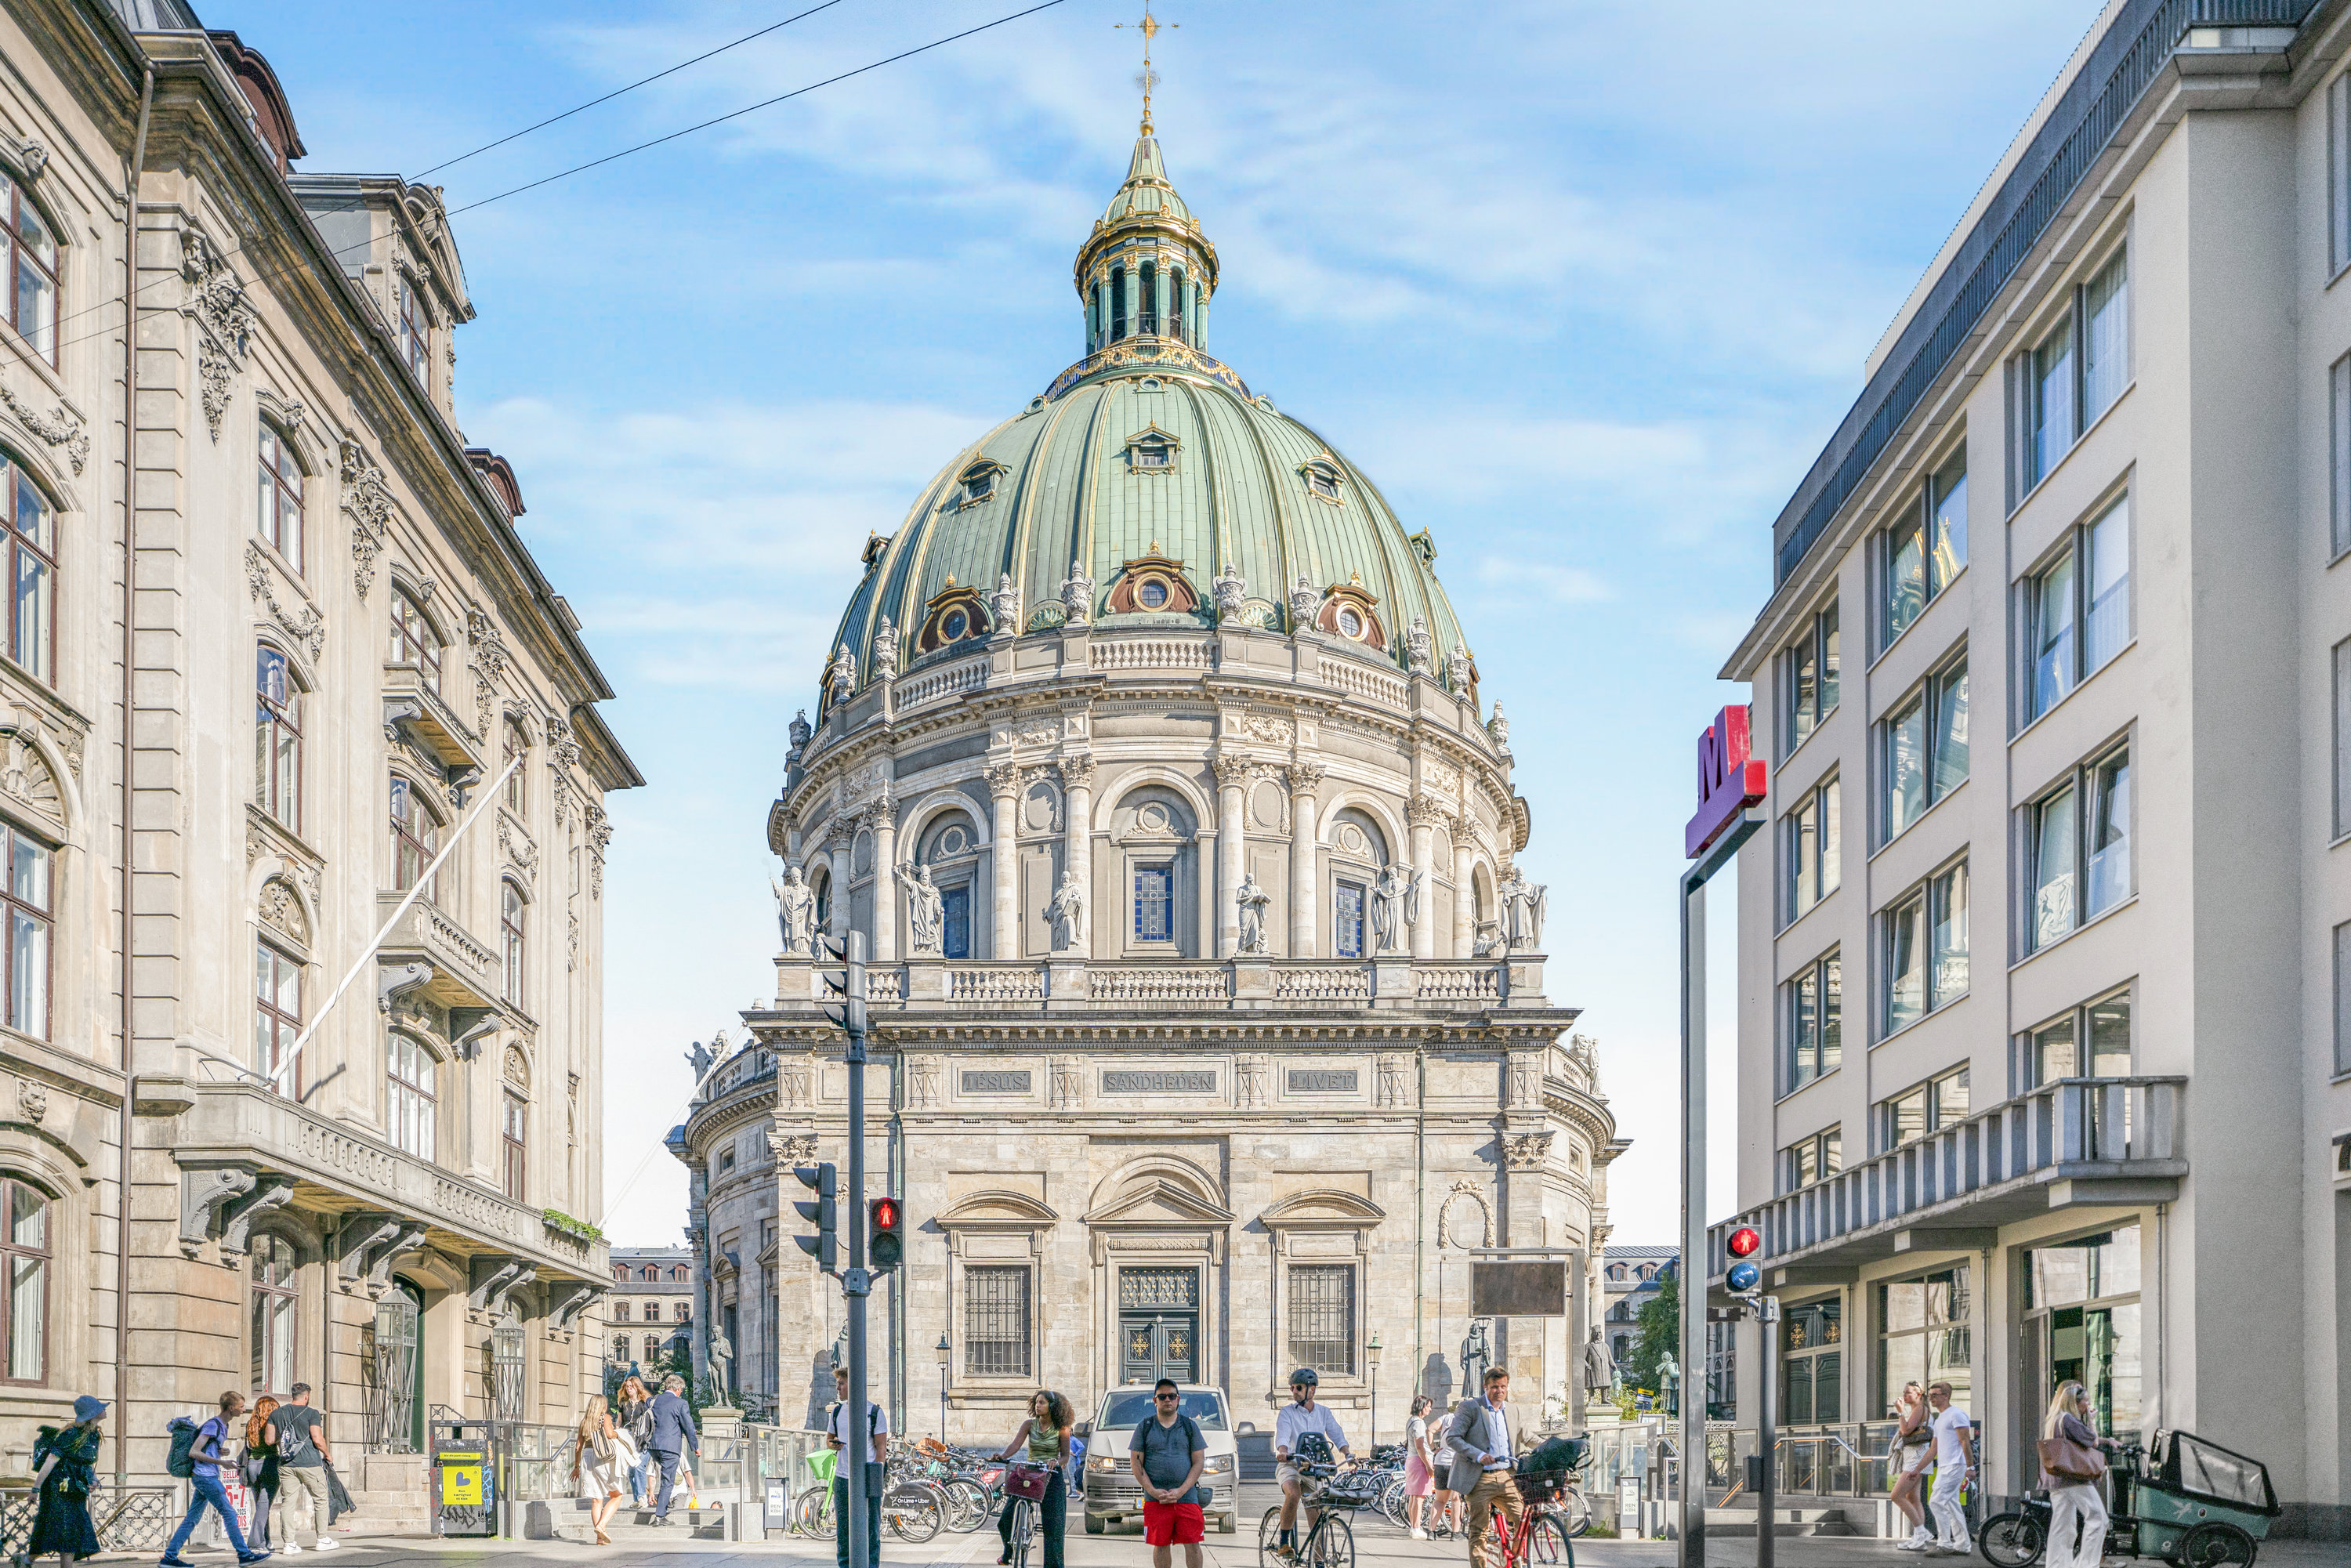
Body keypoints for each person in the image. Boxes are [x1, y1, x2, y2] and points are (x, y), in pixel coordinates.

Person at [161, 1390, 269, 1568]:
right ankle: (244, 1554)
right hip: (206, 1478)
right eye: (241, 1406)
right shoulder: (213, 1425)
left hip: (204, 1477)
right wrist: (221, 1461)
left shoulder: (221, 1426)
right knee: (229, 1512)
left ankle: (170, 1557)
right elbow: (194, 1452)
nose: (244, 1410)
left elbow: (204, 1449)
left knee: (192, 1518)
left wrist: (219, 1451)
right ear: (231, 1407)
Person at [1271, 1368, 1352, 1563]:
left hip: (1314, 1468)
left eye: (1298, 1387)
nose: (1294, 1391)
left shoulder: (1323, 1412)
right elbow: (1283, 1434)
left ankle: (1318, 1562)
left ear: (1312, 1390)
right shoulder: (1287, 1412)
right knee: (1294, 1493)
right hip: (1290, 1463)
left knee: (1317, 1516)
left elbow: (1336, 1433)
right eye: (1292, 1388)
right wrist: (1282, 1451)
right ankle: (1283, 1542)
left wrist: (1348, 1454)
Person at [1447, 1367, 1520, 1568]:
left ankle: (1513, 1559)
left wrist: (1548, 1445)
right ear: (1486, 1387)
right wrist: (1479, 1455)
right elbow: (1452, 1438)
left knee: (1523, 1520)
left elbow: (1526, 1435)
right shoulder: (1471, 1407)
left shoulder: (1512, 1410)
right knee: (1480, 1529)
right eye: (1495, 1387)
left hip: (1506, 1476)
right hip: (1480, 1478)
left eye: (1503, 1387)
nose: (1500, 1391)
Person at [2040, 1381, 2118, 1568]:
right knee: (2099, 1519)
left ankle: (2057, 1565)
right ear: (2075, 1402)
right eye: (2086, 1401)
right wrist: (2092, 1421)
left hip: (2056, 1477)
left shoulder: (2055, 1418)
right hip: (2073, 1477)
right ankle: (2087, 1565)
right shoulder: (2068, 1419)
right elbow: (2092, 1441)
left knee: (2063, 1527)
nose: (2088, 1405)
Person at [1125, 1380, 1203, 1568]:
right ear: (1155, 1400)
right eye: (1162, 1397)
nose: (1167, 1400)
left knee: (1193, 1543)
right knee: (1160, 1545)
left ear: (1178, 1399)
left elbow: (1199, 1462)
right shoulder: (1144, 1427)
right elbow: (1136, 1463)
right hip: (1155, 1499)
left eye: (1172, 1396)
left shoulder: (1189, 1426)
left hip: (1187, 1498)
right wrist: (1153, 1491)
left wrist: (1181, 1491)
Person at [995, 1389, 1073, 1568]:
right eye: (1037, 1402)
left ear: (1051, 1406)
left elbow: (1065, 1457)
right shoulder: (1029, 1425)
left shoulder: (1062, 1429)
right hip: (1030, 1472)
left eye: (1042, 1403)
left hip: (1051, 1474)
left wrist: (1055, 1461)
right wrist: (1003, 1455)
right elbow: (1015, 1445)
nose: (1038, 1406)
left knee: (1054, 1526)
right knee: (1005, 1519)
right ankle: (1009, 1553)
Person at [27, 1395, 105, 1566]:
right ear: (92, 1414)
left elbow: (86, 1462)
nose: (104, 1409)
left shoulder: (93, 1435)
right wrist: (36, 1489)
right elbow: (50, 1462)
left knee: (59, 1531)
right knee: (66, 1533)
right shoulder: (69, 1435)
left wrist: (93, 1480)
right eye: (100, 1408)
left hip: (75, 1491)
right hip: (57, 1491)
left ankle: (27, 1559)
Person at [827, 1367, 887, 1568]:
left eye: (841, 1384)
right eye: (838, 1384)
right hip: (843, 1478)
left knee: (871, 1529)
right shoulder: (837, 1412)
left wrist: (875, 1478)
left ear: (853, 1385)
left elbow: (881, 1450)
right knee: (843, 1531)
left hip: (867, 1478)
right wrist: (833, 1444)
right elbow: (828, 1440)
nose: (838, 1388)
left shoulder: (874, 1413)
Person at [271, 1383, 339, 1553]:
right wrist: (327, 1453)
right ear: (306, 1396)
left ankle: (289, 1544)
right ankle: (322, 1539)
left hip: (286, 1464)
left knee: (288, 1502)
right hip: (310, 1463)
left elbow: (269, 1440)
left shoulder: (277, 1413)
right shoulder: (312, 1413)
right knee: (321, 1500)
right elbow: (317, 1438)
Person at [1924, 1380, 1976, 1555]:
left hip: (1955, 1465)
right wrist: (1917, 1469)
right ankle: (1962, 1545)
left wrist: (1971, 1467)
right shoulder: (1939, 1420)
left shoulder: (1957, 1414)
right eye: (1930, 1395)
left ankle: (1945, 1543)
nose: (1931, 1398)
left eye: (1935, 1395)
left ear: (1946, 1396)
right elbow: (1934, 1449)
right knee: (1952, 1504)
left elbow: (1965, 1441)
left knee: (1936, 1501)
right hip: (1945, 1466)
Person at [570, 1393, 625, 1546]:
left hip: (586, 1458)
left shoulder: (584, 1422)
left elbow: (578, 1446)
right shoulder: (605, 1418)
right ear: (603, 1406)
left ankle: (600, 1538)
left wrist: (576, 1466)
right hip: (602, 1457)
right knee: (616, 1495)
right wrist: (617, 1434)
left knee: (596, 1499)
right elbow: (609, 1434)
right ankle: (601, 1526)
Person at [644, 1374, 700, 1525]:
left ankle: (659, 1507)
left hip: (652, 1446)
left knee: (663, 1476)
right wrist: (695, 1447)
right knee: (668, 1480)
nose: (681, 1392)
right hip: (670, 1447)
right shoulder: (680, 1403)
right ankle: (660, 1516)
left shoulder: (652, 1400)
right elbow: (689, 1427)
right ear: (678, 1389)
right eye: (681, 1390)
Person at [1889, 1382, 1933, 1551]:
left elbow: (1905, 1431)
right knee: (1913, 1498)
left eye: (1908, 1393)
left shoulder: (1920, 1409)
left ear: (1918, 1394)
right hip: (1912, 1457)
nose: (1905, 1395)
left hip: (1916, 1458)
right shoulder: (1918, 1410)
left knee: (1896, 1495)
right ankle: (1919, 1540)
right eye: (1904, 1392)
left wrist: (1900, 1411)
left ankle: (1921, 1532)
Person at [242, 1397, 281, 1555]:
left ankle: (266, 1540)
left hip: (252, 1466)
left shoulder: (250, 1423)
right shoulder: (272, 1425)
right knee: (264, 1506)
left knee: (260, 1506)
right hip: (269, 1464)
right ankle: (255, 1542)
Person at [615, 1376, 655, 1507]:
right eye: (627, 1386)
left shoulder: (645, 1403)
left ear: (637, 1387)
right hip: (628, 1440)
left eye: (631, 1386)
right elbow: (619, 1422)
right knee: (631, 1471)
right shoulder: (623, 1403)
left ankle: (642, 1497)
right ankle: (637, 1499)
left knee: (639, 1466)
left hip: (644, 1440)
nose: (629, 1389)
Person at [1401, 1395, 1437, 1540]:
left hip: (1412, 1460)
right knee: (1419, 1497)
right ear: (1422, 1407)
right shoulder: (1419, 1423)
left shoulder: (1411, 1421)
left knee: (1414, 1496)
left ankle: (1413, 1527)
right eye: (1428, 1406)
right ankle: (1416, 1528)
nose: (1430, 1409)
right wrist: (1428, 1465)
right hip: (1419, 1461)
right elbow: (1420, 1446)